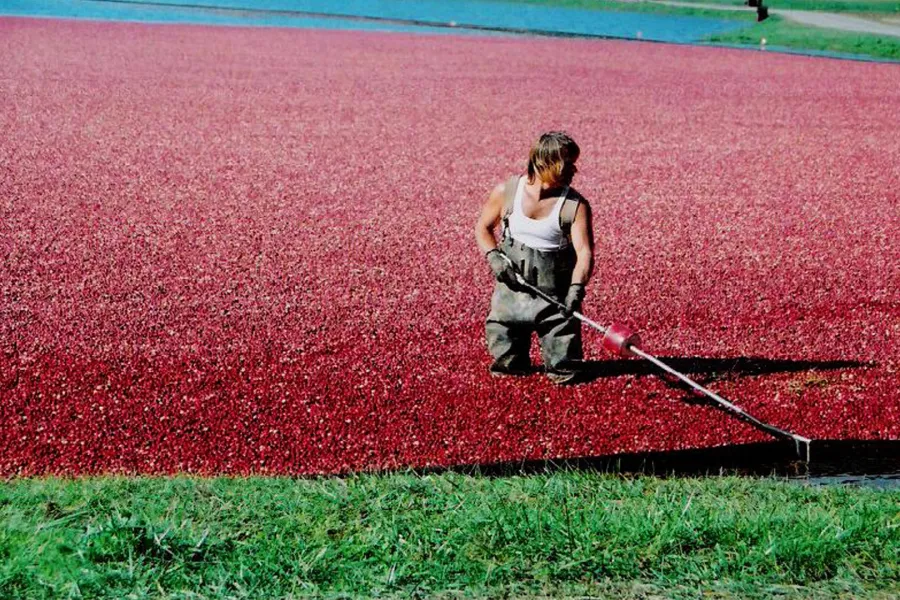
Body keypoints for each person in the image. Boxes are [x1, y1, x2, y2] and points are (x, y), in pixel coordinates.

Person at [474, 131, 594, 384]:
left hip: (556, 298)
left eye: (573, 163)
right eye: (566, 164)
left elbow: (584, 252)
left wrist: (576, 288)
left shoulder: (574, 206)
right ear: (542, 163)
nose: (573, 171)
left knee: (565, 371)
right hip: (511, 292)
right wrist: (493, 255)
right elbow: (483, 228)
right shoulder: (507, 192)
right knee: (506, 361)